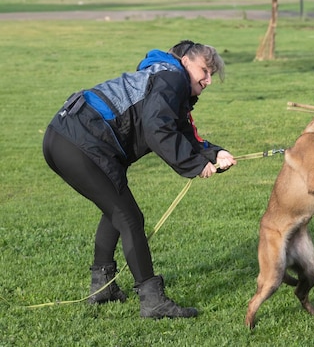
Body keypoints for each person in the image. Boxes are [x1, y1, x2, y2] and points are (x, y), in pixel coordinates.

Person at [42, 40, 237, 319]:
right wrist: (194, 165)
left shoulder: (166, 82)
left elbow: (182, 133)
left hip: (61, 138)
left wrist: (216, 153)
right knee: (129, 217)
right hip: (79, 143)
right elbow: (158, 130)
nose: (208, 81)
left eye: (212, 75)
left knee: (116, 211)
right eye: (204, 71)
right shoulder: (171, 79)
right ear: (185, 62)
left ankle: (103, 286)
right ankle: (152, 300)